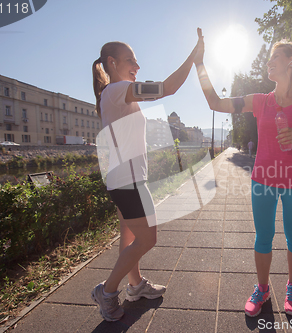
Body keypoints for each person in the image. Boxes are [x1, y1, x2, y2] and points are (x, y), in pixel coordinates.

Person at [193, 30, 292, 317]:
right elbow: (216, 103)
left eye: (274, 58)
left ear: (291, 62)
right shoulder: (260, 101)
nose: (269, 63)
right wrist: (199, 64)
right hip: (263, 181)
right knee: (263, 237)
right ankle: (263, 288)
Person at [90, 29, 203, 322]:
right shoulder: (117, 91)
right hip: (127, 181)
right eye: (131, 60)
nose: (137, 66)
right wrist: (194, 55)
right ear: (112, 62)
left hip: (122, 178)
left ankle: (135, 286)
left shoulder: (114, 94)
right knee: (148, 238)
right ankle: (107, 291)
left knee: (129, 235)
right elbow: (167, 88)